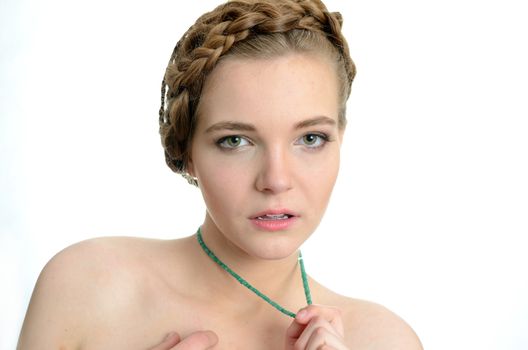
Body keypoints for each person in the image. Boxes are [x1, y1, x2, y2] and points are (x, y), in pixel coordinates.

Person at [17, 0, 423, 349]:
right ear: (186, 150)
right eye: (235, 141)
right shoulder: (86, 287)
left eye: (311, 138)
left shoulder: (381, 340)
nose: (276, 180)